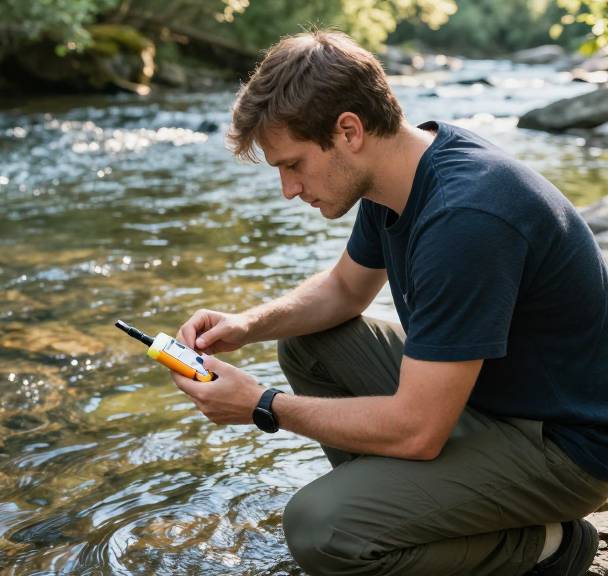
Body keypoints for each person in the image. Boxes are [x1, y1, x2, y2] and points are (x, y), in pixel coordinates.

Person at [169, 30, 608, 576]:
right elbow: (344, 291)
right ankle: (414, 515)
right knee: (309, 342)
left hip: (567, 448)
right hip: (495, 404)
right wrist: (244, 325)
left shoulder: (464, 217)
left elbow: (418, 430)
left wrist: (262, 405)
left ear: (347, 131)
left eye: (292, 164)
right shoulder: (399, 173)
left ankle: (547, 546)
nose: (288, 189)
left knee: (320, 529)